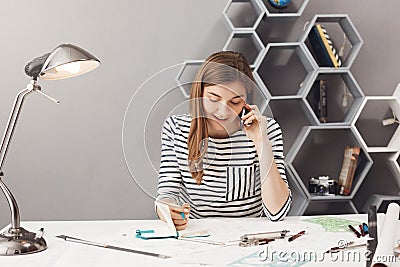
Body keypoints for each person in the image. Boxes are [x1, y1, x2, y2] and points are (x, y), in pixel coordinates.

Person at [156, 51, 291, 230]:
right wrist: (168, 210)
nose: (223, 112)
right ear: (199, 93)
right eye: (214, 99)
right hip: (198, 236)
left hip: (252, 236)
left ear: (247, 101)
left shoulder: (268, 130)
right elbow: (167, 194)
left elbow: (278, 212)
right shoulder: (176, 128)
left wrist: (261, 141)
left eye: (235, 101)